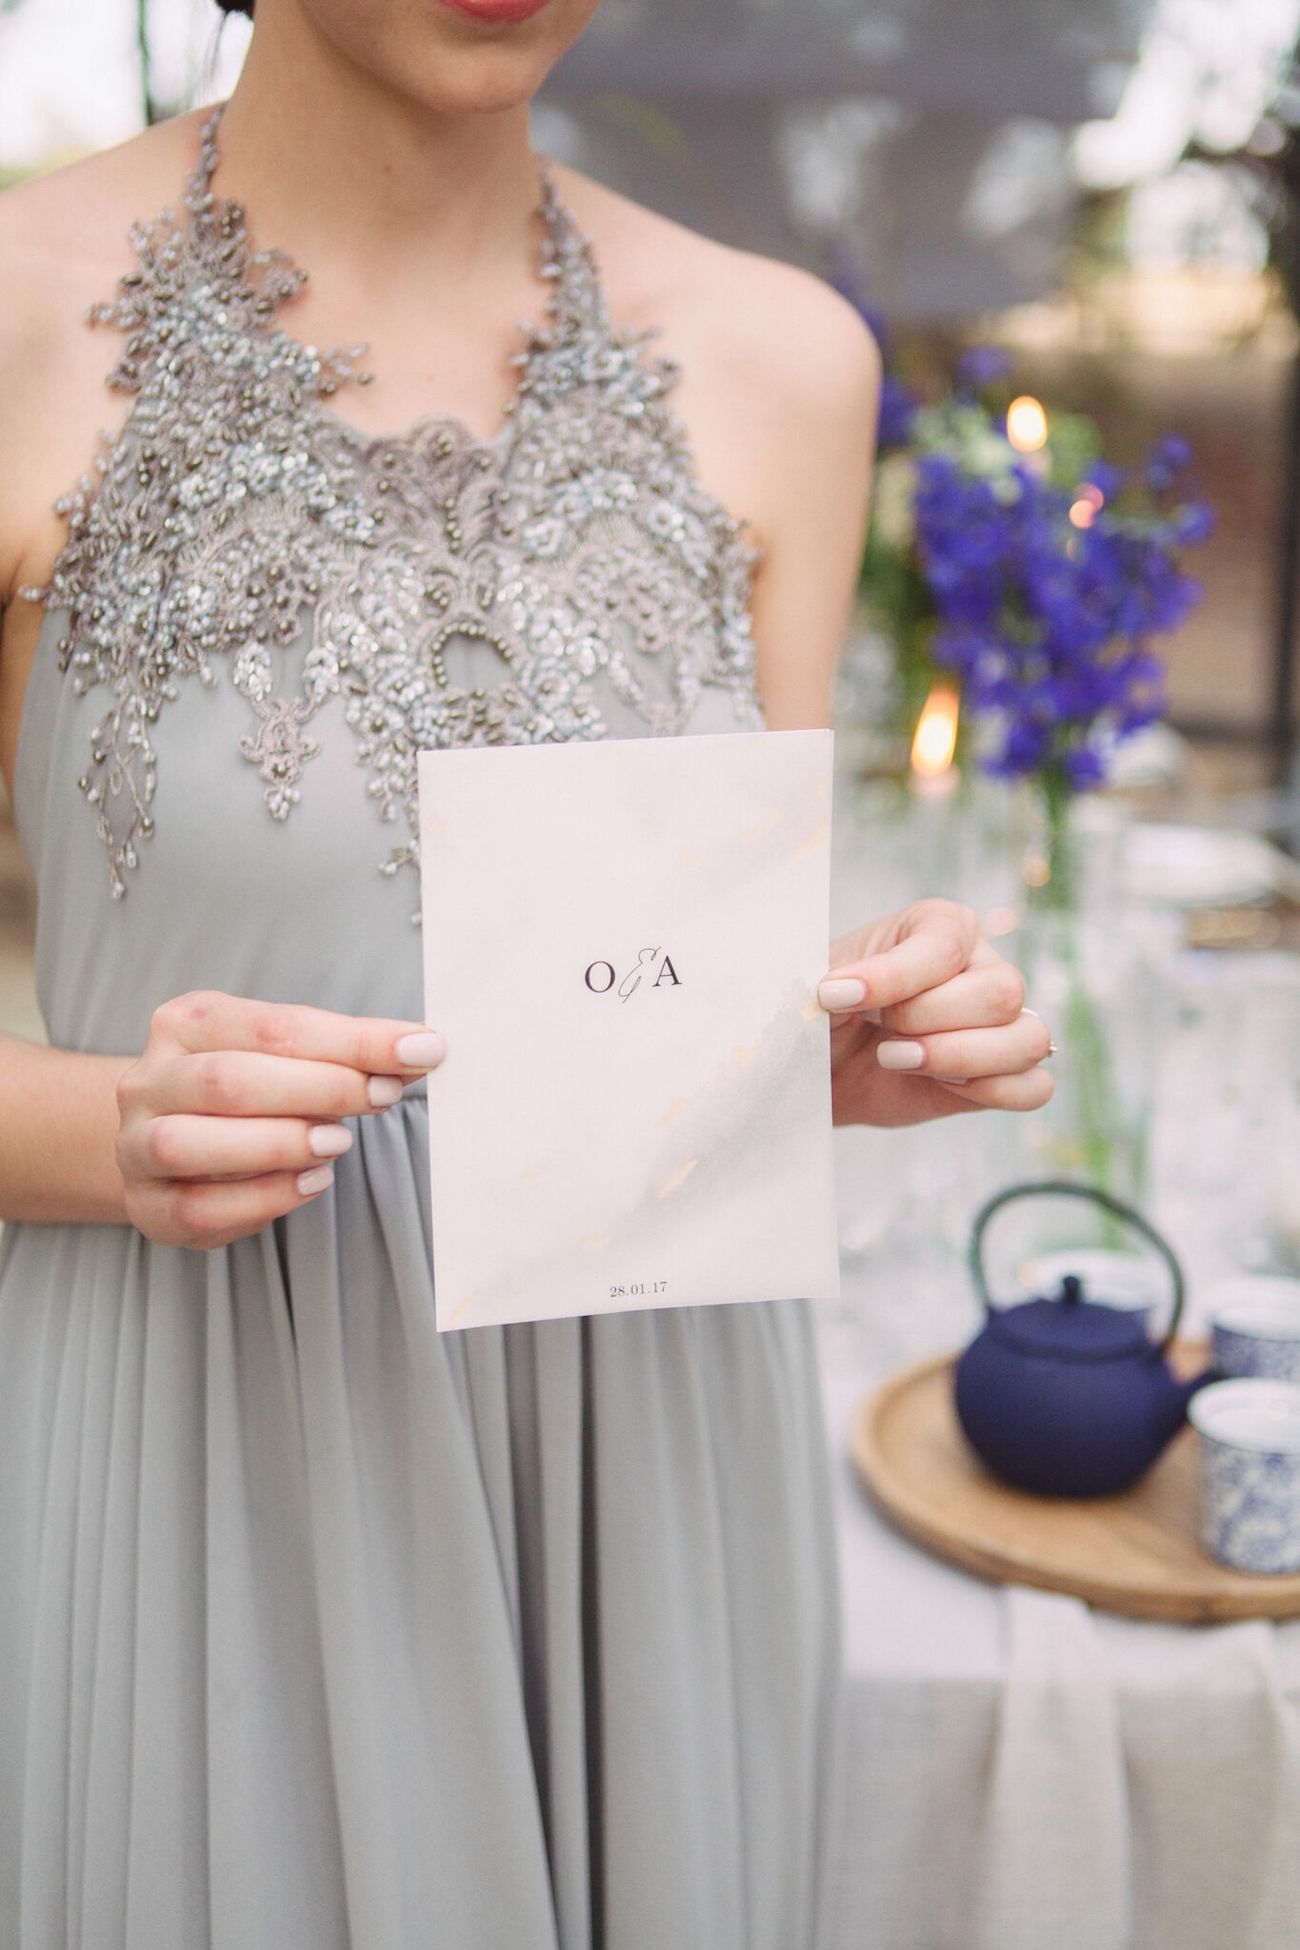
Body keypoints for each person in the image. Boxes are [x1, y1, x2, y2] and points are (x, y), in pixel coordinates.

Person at [0, 2, 1054, 1944]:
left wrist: (830, 1038)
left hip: (646, 1476)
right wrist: (101, 1127)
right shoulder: (18, 314)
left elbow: (691, 990)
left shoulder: (781, 360)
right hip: (207, 1432)